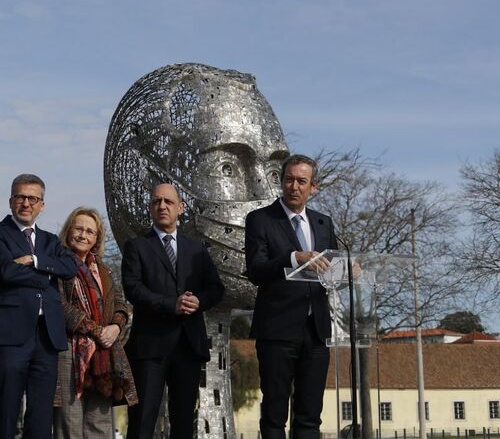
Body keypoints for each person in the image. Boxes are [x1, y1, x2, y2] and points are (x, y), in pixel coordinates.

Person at [121, 183, 225, 439]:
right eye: (156, 201)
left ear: (181, 208)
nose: (162, 206)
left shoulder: (197, 249)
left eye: (168, 201)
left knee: (183, 420)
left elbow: (216, 288)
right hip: (150, 347)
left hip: (188, 345)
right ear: (150, 208)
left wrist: (199, 301)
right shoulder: (137, 247)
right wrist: (171, 304)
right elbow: (133, 289)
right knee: (143, 418)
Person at [244, 154, 337, 439]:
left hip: (316, 331)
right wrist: (294, 257)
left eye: (301, 181)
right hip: (277, 332)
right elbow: (256, 270)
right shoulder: (260, 220)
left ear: (314, 187)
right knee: (274, 415)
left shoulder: (324, 223)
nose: (293, 186)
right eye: (288, 179)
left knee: (310, 417)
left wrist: (349, 271)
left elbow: (330, 271)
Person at [0, 174, 79, 439]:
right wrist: (49, 271)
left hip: (46, 336)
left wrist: (35, 260)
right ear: (11, 200)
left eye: (33, 198)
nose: (26, 203)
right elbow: (5, 273)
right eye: (21, 197)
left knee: (41, 412)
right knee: (7, 408)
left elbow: (70, 268)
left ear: (42, 205)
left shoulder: (51, 241)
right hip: (9, 335)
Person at [53, 207, 137, 439]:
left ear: (97, 238)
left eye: (90, 232)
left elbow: (120, 302)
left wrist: (116, 326)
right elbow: (58, 304)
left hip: (103, 355)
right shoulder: (57, 263)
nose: (83, 235)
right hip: (70, 351)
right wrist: (96, 329)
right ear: (68, 231)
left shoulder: (102, 268)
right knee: (69, 424)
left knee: (99, 425)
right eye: (78, 228)